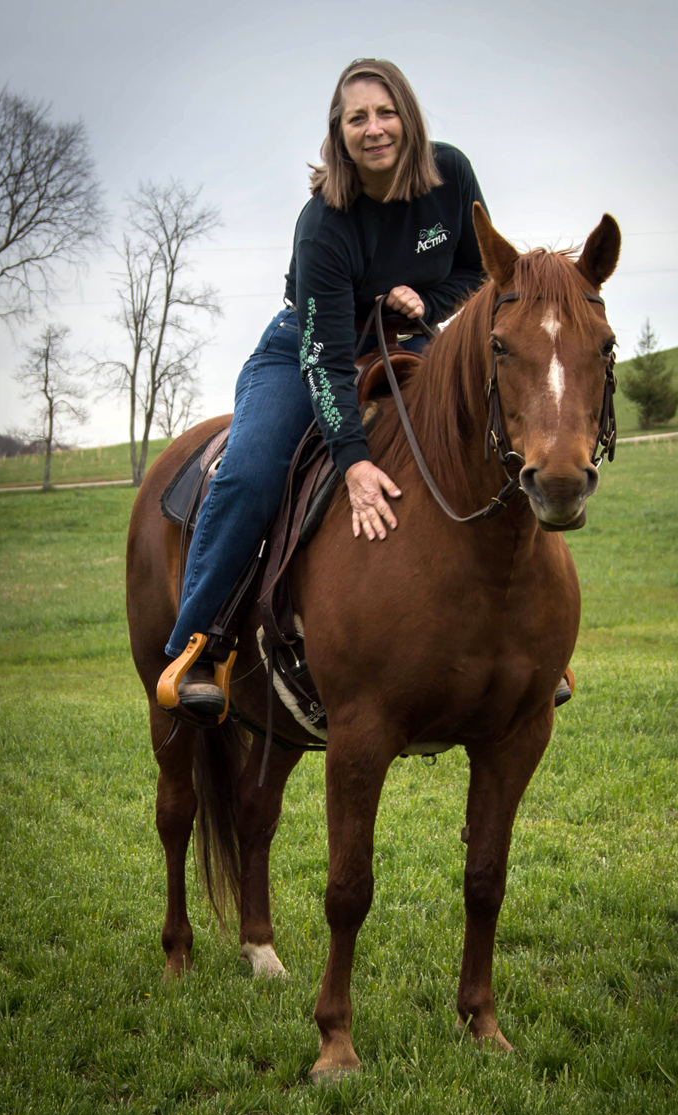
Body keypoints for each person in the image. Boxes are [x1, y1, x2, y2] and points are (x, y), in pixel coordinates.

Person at [161, 58, 489, 716]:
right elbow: (326, 358)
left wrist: (425, 300)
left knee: (487, 428)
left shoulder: (451, 173)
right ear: (338, 135)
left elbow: (477, 273)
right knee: (251, 472)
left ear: (409, 116)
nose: (375, 128)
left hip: (405, 337)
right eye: (357, 118)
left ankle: (524, 637)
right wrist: (355, 461)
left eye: (386, 111)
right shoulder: (325, 222)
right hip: (306, 349)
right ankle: (198, 642)